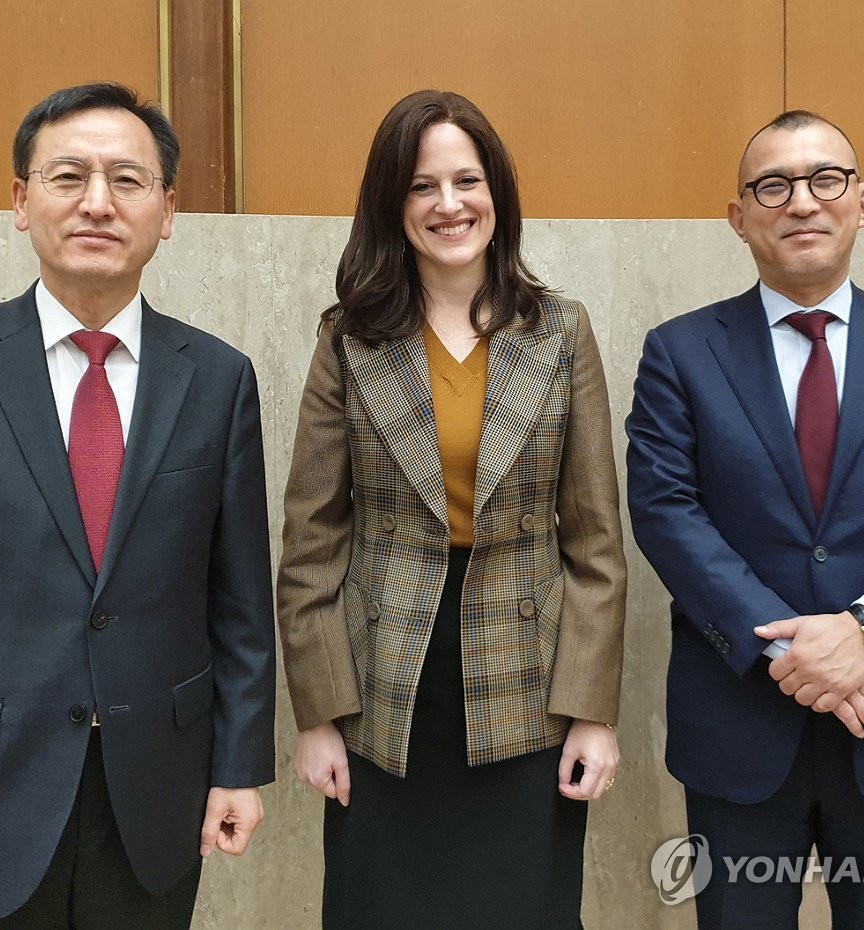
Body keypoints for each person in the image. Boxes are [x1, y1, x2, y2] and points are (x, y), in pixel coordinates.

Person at [0, 82, 277, 930]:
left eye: (126, 180)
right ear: (19, 200)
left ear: (168, 209)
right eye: (68, 176)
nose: (97, 203)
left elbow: (240, 606)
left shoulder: (219, 381)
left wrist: (238, 766)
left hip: (157, 799)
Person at [626, 110, 864, 929]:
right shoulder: (680, 352)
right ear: (739, 217)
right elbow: (666, 511)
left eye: (825, 179)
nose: (801, 202)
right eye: (774, 185)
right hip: (741, 734)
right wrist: (799, 647)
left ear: (862, 202)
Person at [277, 89, 628, 929]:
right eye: (421, 186)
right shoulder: (349, 339)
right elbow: (312, 539)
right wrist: (320, 715)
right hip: (384, 690)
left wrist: (593, 712)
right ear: (391, 205)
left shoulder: (559, 331)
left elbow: (596, 543)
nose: (448, 204)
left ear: (496, 192)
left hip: (529, 687)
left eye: (466, 180)